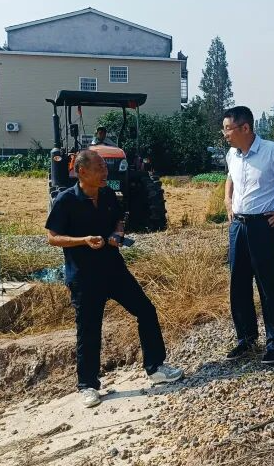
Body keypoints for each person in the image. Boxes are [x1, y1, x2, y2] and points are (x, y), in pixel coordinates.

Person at [45, 149, 183, 407]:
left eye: (105, 167)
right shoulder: (65, 200)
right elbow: (53, 238)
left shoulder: (108, 194)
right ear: (82, 171)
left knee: (146, 310)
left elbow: (119, 220)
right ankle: (88, 385)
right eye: (99, 167)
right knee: (89, 329)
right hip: (84, 276)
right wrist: (83, 240)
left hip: (114, 269)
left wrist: (117, 234)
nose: (105, 172)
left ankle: (156, 367)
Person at [222, 105, 274, 364]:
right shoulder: (232, 154)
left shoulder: (271, 151)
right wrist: (228, 200)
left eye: (228, 129)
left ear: (245, 127)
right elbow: (230, 177)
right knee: (238, 285)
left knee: (268, 285)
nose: (225, 134)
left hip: (263, 226)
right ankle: (246, 339)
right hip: (238, 226)